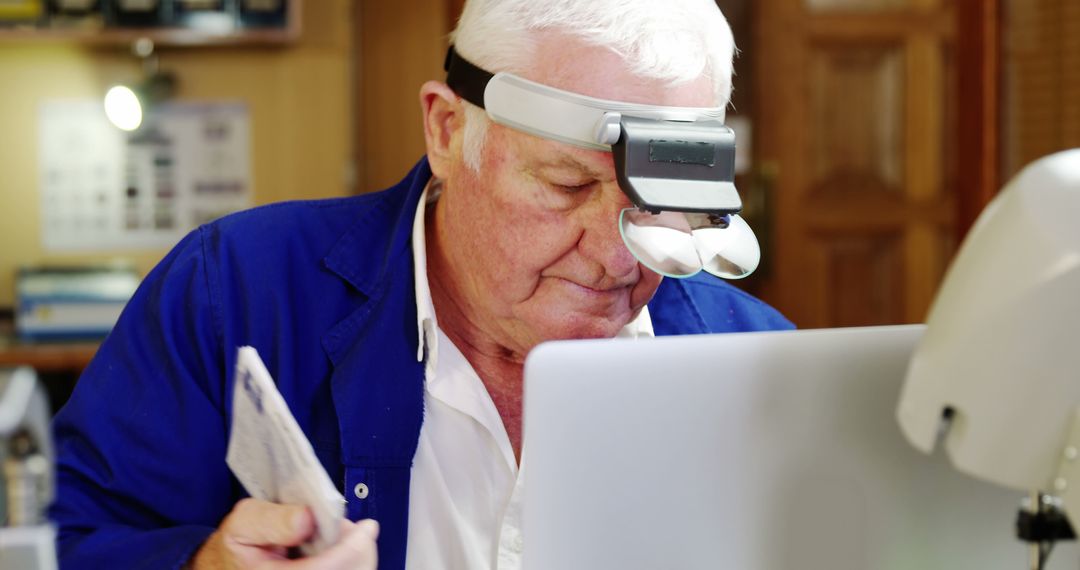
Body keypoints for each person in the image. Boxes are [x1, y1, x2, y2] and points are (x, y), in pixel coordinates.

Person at [49, 1, 793, 569]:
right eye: (567, 185)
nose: (616, 256)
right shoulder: (234, 293)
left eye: (658, 205)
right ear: (444, 130)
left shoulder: (762, 367)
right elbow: (72, 541)